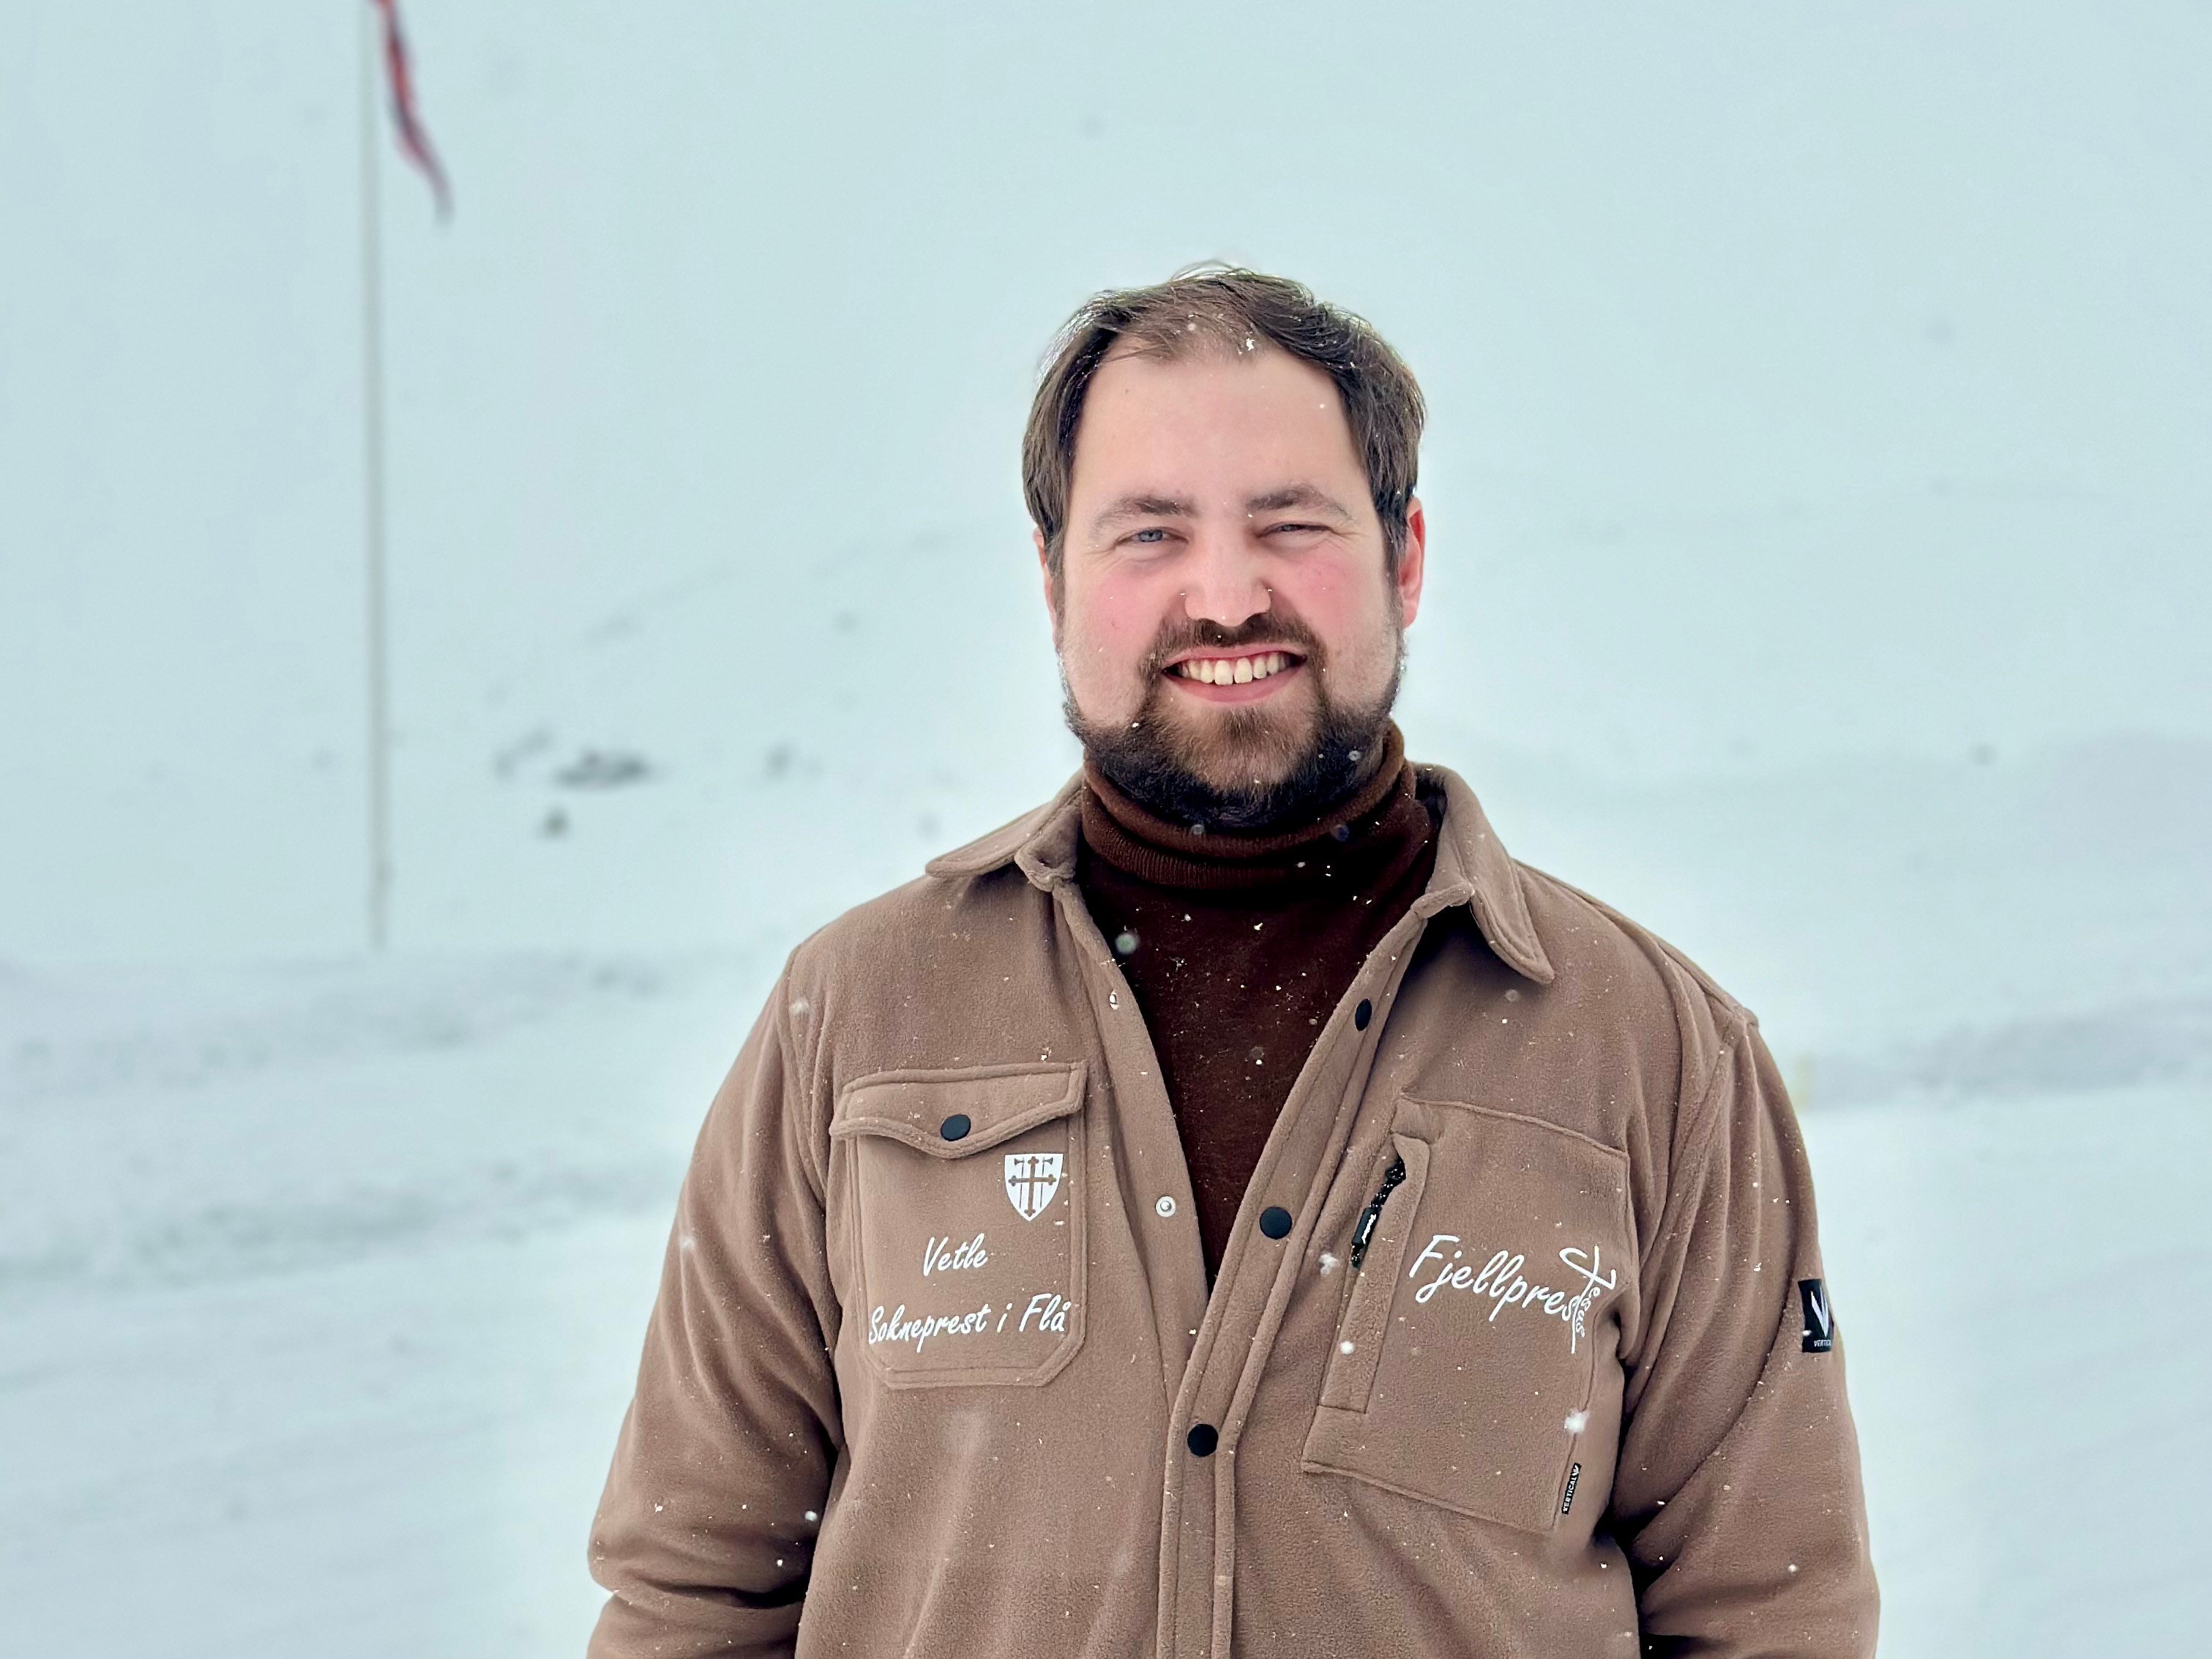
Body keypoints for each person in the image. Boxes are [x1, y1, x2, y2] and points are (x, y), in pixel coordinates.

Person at [585, 267, 1877, 1657]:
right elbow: (696, 1587)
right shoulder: (851, 1018)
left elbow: (1767, 1609)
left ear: (1406, 558)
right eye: (1149, 532)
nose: (1223, 593)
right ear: (1051, 575)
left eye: (1289, 524)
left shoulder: (1651, 1052)